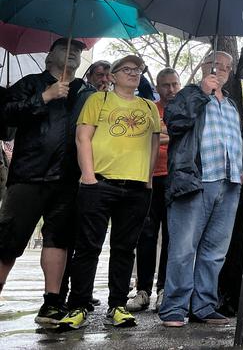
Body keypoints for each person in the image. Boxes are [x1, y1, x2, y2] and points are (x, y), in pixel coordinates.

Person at [58, 55, 161, 330]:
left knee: (125, 249)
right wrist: (89, 177)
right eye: (126, 69)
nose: (133, 73)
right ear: (113, 76)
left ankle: (117, 305)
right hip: (99, 184)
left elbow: (154, 144)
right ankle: (77, 305)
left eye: (137, 70)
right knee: (88, 247)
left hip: (137, 188)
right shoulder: (97, 100)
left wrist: (148, 179)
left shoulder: (149, 107)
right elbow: (83, 138)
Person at [0, 38, 87, 325]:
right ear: (50, 56)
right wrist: (44, 98)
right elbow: (4, 116)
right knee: (8, 239)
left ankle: (51, 303)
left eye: (78, 50)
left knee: (59, 240)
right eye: (67, 48)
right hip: (29, 173)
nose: (73, 52)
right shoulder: (30, 83)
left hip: (67, 179)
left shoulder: (83, 91)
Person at [159, 51, 243, 327]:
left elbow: (239, 140)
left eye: (225, 67)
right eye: (214, 65)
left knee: (215, 250)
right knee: (184, 248)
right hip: (195, 181)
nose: (220, 70)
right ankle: (174, 307)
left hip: (229, 183)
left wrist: (242, 168)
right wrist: (201, 93)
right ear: (203, 67)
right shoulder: (187, 95)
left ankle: (204, 305)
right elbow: (174, 123)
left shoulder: (232, 105)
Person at [126, 68, 181, 313]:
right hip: (148, 177)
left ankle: (163, 290)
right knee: (146, 234)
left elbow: (183, 136)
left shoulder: (182, 111)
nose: (170, 90)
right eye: (165, 85)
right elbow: (142, 137)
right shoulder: (149, 110)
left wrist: (162, 135)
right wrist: (166, 136)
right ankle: (143, 289)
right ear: (157, 88)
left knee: (172, 236)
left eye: (174, 84)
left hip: (175, 178)